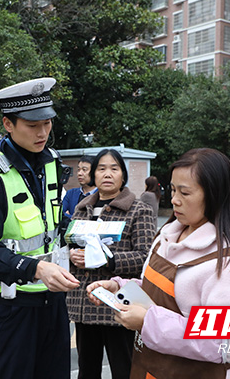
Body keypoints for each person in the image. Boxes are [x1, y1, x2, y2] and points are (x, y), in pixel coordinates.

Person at [87, 148, 230, 379]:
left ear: (214, 195)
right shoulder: (166, 236)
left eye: (185, 193)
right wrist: (121, 287)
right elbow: (155, 291)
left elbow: (222, 345)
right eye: (172, 189)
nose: (174, 200)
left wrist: (148, 322)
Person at [0, 77, 80, 379]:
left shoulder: (52, 163)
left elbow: (53, 223)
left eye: (47, 122)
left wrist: (82, 237)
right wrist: (35, 269)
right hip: (13, 308)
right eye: (32, 125)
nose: (42, 132)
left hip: (54, 304)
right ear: (8, 123)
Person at [68, 149, 156, 379]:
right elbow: (71, 245)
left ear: (123, 176)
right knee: (87, 370)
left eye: (114, 168)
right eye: (101, 168)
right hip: (84, 305)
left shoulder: (139, 210)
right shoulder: (81, 210)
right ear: (93, 175)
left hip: (120, 306)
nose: (108, 174)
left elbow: (146, 257)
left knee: (124, 370)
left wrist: (109, 260)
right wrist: (72, 256)